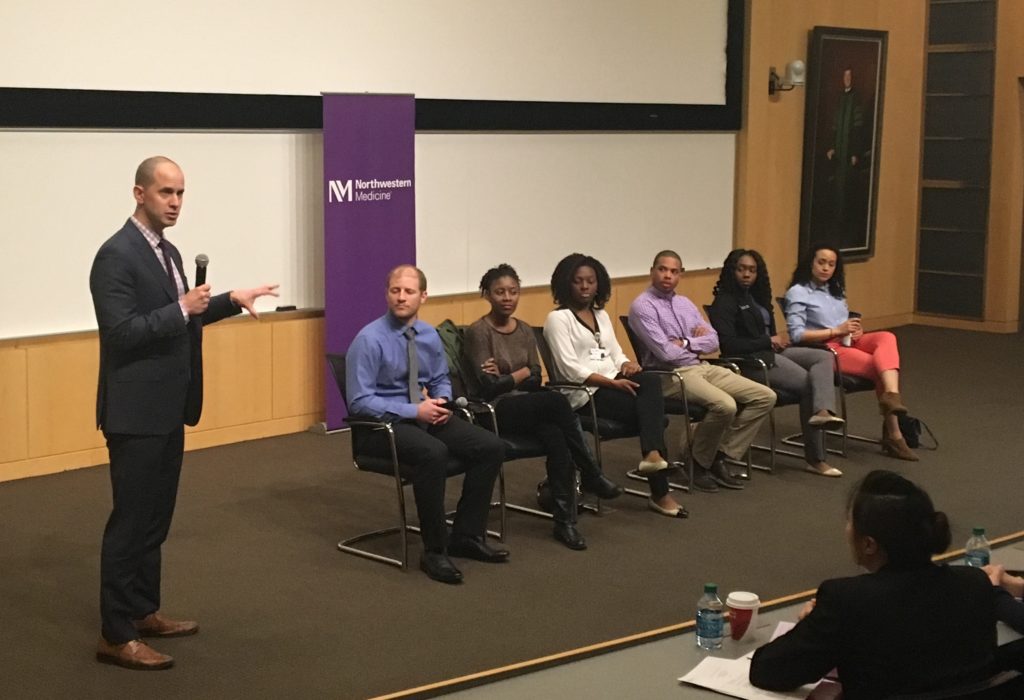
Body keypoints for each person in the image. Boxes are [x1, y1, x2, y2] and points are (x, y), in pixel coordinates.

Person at [89, 156, 279, 670]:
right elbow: (123, 332)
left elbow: (185, 317)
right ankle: (116, 633)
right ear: (139, 193)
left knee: (155, 519)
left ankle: (143, 610)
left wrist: (230, 300)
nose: (175, 203)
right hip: (134, 411)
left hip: (169, 407)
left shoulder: (166, 252)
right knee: (130, 523)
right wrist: (182, 309)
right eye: (165, 193)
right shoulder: (116, 255)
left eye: (180, 194)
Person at [750, 470, 999, 699]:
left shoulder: (847, 600)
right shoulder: (975, 583)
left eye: (850, 522)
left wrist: (812, 624)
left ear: (869, 544)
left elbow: (769, 670)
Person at [346, 264, 508, 585]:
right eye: (395, 291)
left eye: (408, 292)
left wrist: (442, 403)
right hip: (380, 428)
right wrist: (412, 410)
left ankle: (466, 534)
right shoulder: (368, 340)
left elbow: (439, 379)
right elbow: (359, 403)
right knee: (433, 453)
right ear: (387, 294)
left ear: (423, 296)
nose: (401, 298)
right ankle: (434, 550)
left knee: (491, 446)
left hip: (422, 414)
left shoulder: (428, 335)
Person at [464, 264, 623, 550]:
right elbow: (489, 386)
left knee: (557, 436)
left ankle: (566, 522)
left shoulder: (524, 329)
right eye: (500, 292)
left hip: (527, 405)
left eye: (513, 292)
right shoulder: (479, 331)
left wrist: (509, 374)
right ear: (487, 295)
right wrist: (520, 373)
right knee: (557, 400)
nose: (507, 298)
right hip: (494, 411)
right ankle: (590, 472)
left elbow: (537, 374)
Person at [542, 253, 686, 519]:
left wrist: (627, 364)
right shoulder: (558, 319)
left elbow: (615, 353)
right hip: (585, 394)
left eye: (591, 281)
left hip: (614, 384)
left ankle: (653, 455)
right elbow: (569, 369)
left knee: (650, 381)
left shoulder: (601, 314)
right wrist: (612, 382)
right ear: (566, 284)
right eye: (578, 281)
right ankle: (660, 491)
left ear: (599, 284)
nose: (585, 287)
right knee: (653, 416)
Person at [628, 250, 776, 493]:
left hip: (701, 366)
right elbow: (665, 353)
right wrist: (693, 342)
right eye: (662, 269)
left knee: (765, 396)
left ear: (680, 275)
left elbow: (714, 341)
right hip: (669, 375)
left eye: (674, 271)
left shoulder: (685, 303)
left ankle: (718, 454)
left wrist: (685, 342)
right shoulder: (642, 306)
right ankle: (698, 463)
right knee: (725, 405)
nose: (668, 276)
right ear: (652, 271)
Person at [707, 249, 845, 478]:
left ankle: (823, 411)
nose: (746, 275)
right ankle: (816, 458)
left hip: (771, 352)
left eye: (752, 270)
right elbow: (728, 344)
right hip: (750, 362)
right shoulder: (725, 301)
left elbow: (767, 332)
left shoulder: (757, 297)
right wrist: (767, 340)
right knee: (810, 384)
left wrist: (774, 341)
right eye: (741, 269)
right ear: (732, 271)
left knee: (823, 356)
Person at [783, 245, 917, 461]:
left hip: (846, 341)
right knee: (879, 367)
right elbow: (796, 335)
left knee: (887, 338)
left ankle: (892, 396)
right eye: (821, 262)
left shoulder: (835, 290)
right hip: (825, 348)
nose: (826, 268)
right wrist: (836, 331)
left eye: (831, 264)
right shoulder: (798, 292)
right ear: (811, 263)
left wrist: (855, 330)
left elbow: (844, 323)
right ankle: (894, 434)